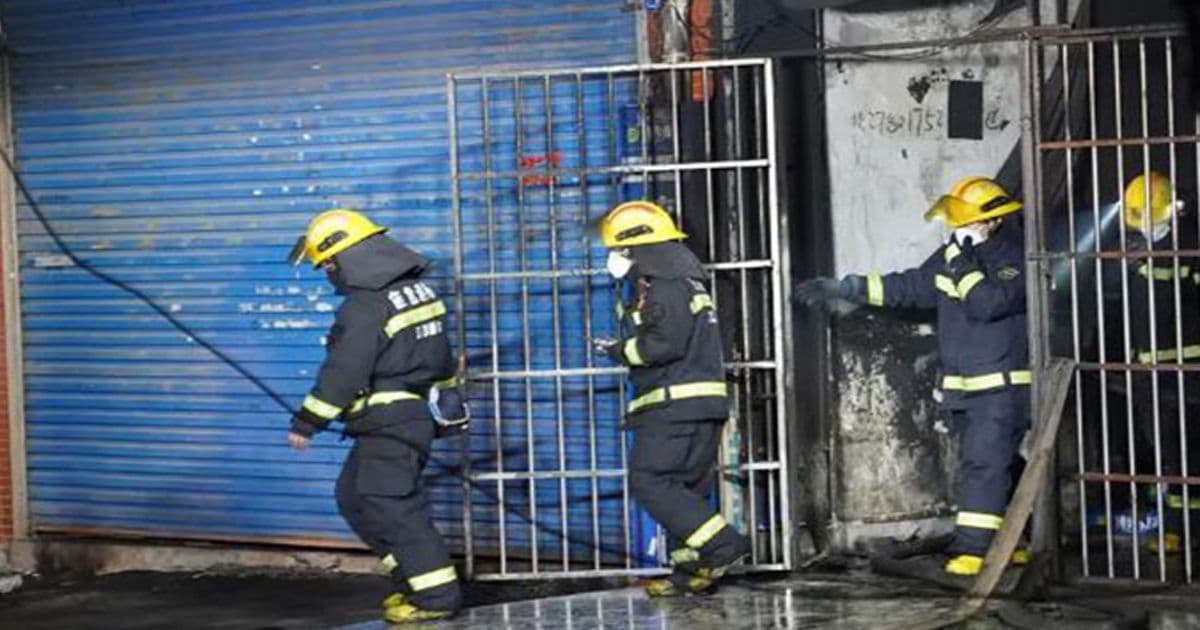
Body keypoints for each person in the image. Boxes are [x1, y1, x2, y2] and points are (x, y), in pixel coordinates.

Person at [795, 177, 1030, 576]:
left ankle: (974, 551)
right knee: (999, 464)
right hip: (964, 387)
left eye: (966, 221)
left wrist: (961, 263)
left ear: (992, 222)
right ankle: (1019, 538)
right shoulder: (953, 256)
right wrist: (847, 288)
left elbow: (986, 304)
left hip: (1000, 387)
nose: (958, 228)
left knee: (984, 466)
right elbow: (910, 286)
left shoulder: (1013, 259)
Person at [285, 209, 466, 623]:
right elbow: (441, 359)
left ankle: (437, 597)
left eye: (329, 263)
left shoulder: (365, 306)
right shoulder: (419, 291)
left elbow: (345, 371)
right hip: (404, 419)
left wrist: (308, 422)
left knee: (391, 504)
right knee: (354, 497)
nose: (329, 272)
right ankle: (413, 579)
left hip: (390, 420)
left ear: (351, 256)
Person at [592, 200, 750, 596]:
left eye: (620, 251)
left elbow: (662, 345)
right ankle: (691, 571)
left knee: (650, 481)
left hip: (673, 406)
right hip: (699, 405)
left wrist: (618, 349)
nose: (616, 259)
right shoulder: (686, 281)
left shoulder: (665, 288)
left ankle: (722, 546)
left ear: (639, 248)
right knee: (686, 489)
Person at [1119, 171, 1200, 553]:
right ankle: (1176, 527)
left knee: (1187, 452)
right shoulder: (1130, 248)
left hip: (1188, 373)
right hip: (1148, 373)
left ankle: (1183, 528)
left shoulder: (1191, 248)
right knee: (1166, 455)